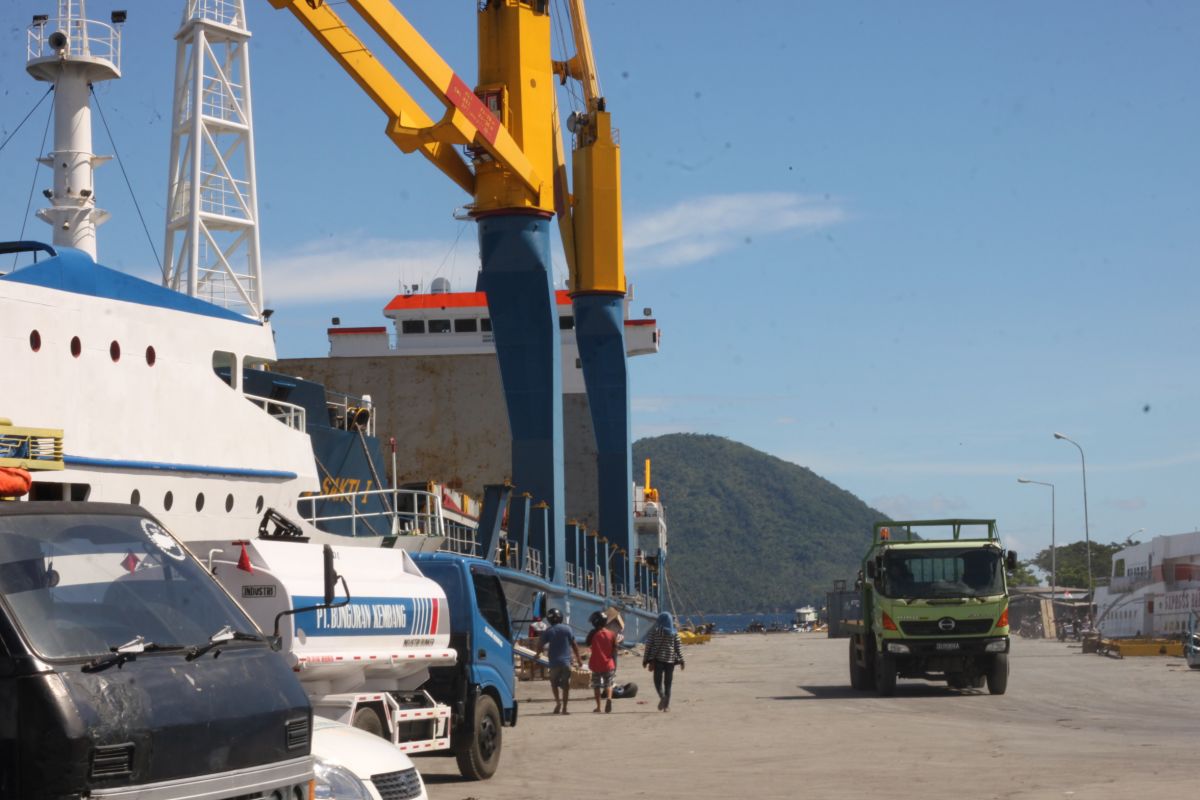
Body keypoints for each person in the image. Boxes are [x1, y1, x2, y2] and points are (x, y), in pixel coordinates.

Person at [533, 608, 581, 714]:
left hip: (554, 663)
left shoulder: (548, 631)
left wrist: (537, 654)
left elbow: (540, 645)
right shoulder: (567, 629)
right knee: (565, 686)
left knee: (554, 684)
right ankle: (564, 708)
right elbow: (575, 645)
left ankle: (558, 702)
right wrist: (579, 660)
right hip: (566, 663)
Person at [642, 611, 685, 711]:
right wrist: (682, 661)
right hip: (670, 661)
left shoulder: (654, 632)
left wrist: (645, 660)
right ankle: (666, 706)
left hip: (658, 661)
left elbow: (648, 646)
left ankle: (662, 697)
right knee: (668, 684)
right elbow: (678, 648)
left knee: (657, 682)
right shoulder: (674, 633)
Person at [587, 611, 618, 713]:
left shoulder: (593, 633)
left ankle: (599, 707)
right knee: (608, 684)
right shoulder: (612, 634)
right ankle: (609, 699)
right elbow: (615, 648)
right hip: (608, 664)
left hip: (596, 664)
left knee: (596, 686)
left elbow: (587, 643)